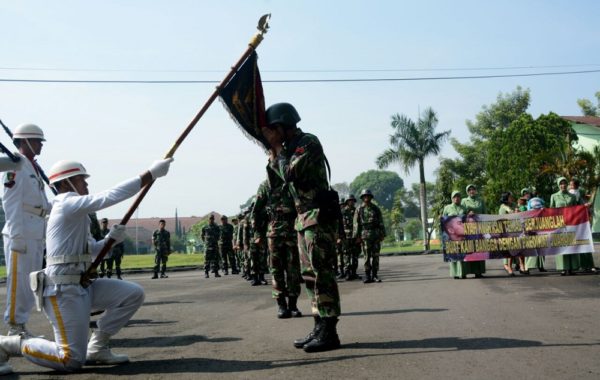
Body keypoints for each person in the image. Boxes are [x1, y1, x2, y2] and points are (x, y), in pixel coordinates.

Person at [0, 157, 172, 375]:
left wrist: (110, 240)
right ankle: (8, 344)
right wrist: (149, 175)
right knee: (70, 360)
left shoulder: (78, 215)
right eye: (82, 180)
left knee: (133, 294)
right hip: (62, 291)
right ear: (66, 183)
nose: (87, 185)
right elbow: (109, 197)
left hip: (81, 286)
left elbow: (92, 249)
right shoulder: (66, 204)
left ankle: (97, 347)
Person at [260, 102, 341, 352]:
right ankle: (319, 325)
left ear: (283, 125)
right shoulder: (288, 149)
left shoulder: (308, 143)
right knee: (309, 277)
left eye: (273, 129)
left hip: (318, 217)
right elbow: (276, 184)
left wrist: (277, 149)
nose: (271, 135)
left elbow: (291, 173)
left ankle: (329, 331)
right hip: (303, 220)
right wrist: (275, 153)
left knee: (321, 273)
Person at [1, 123, 50, 337]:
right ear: (25, 141)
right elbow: (9, 201)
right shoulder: (15, 164)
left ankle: (22, 325)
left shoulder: (31, 166)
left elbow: (40, 202)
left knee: (30, 282)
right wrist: (16, 234)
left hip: (35, 231)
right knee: (19, 281)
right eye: (38, 141)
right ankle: (15, 327)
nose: (41, 145)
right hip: (21, 232)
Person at [550, 177, 583, 275]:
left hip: (571, 223)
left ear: (567, 185)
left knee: (571, 245)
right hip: (559, 224)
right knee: (561, 245)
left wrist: (584, 207)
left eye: (564, 183)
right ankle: (563, 268)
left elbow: (577, 208)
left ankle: (572, 268)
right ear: (558, 185)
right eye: (561, 183)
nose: (563, 185)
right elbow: (551, 210)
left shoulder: (572, 196)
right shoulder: (554, 196)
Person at [353, 189, 386, 283]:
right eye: (365, 196)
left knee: (375, 256)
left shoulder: (376, 208)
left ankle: (375, 275)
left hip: (375, 234)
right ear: (362, 198)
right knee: (366, 256)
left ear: (371, 197)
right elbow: (356, 224)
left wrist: (382, 234)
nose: (366, 197)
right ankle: (368, 276)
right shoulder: (359, 209)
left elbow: (381, 222)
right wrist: (357, 236)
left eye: (368, 196)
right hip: (365, 235)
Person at [569, 179, 598, 274]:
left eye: (572, 185)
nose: (571, 187)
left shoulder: (578, 194)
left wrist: (586, 207)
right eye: (570, 185)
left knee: (584, 243)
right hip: (575, 223)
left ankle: (587, 265)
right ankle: (580, 265)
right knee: (578, 243)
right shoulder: (572, 194)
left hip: (581, 223)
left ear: (576, 186)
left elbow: (583, 206)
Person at [460, 184, 486, 278]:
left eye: (473, 189)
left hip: (479, 228)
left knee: (479, 249)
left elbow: (484, 213)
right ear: (467, 192)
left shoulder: (481, 200)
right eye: (469, 190)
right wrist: (467, 213)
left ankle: (478, 272)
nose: (472, 191)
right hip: (468, 228)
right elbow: (460, 213)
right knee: (469, 248)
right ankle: (467, 271)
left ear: (476, 190)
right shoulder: (464, 201)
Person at [498, 192, 526, 276]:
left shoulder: (514, 204)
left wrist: (518, 211)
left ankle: (522, 266)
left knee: (521, 247)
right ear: (506, 198)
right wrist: (513, 213)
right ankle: (509, 267)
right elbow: (502, 219)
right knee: (511, 248)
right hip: (508, 231)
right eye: (510, 197)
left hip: (517, 228)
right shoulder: (502, 207)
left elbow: (519, 213)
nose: (511, 198)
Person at [442, 190, 468, 279]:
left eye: (458, 197)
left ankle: (463, 273)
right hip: (451, 235)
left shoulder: (464, 208)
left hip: (462, 234)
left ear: (460, 198)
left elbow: (467, 219)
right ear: (452, 198)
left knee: (462, 252)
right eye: (454, 197)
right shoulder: (447, 208)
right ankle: (455, 274)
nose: (456, 198)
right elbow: (443, 221)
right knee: (453, 254)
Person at [340, 195, 361, 280]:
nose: (351, 202)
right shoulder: (342, 212)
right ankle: (347, 273)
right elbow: (339, 225)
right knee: (346, 255)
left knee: (355, 255)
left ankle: (354, 273)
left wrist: (359, 237)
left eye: (352, 200)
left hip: (355, 237)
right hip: (346, 237)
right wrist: (338, 237)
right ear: (347, 202)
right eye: (349, 200)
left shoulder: (357, 211)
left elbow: (360, 224)